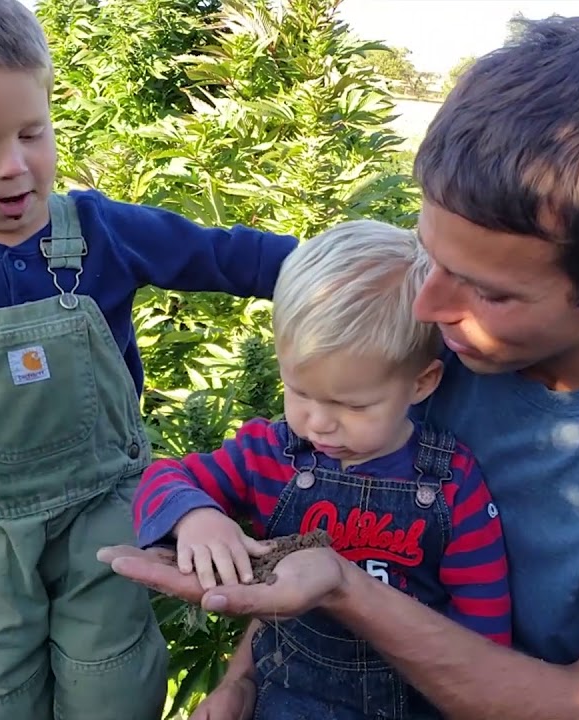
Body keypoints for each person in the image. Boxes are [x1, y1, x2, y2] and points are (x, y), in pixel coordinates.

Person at [99, 14, 579, 720]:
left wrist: (342, 587)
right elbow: (323, 503)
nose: (430, 304)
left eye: (490, 290)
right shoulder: (425, 339)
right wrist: (241, 681)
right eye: (430, 255)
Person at [0, 1, 298, 718]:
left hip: (104, 509)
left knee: (110, 681)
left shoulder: (102, 232)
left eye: (31, 133)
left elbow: (230, 256)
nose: (15, 167)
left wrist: (337, 270)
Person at [131, 219, 512, 720]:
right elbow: (165, 478)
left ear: (421, 384)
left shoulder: (452, 484)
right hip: (286, 693)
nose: (318, 423)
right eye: (300, 392)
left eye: (352, 406)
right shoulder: (272, 453)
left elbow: (485, 633)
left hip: (415, 699)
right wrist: (198, 517)